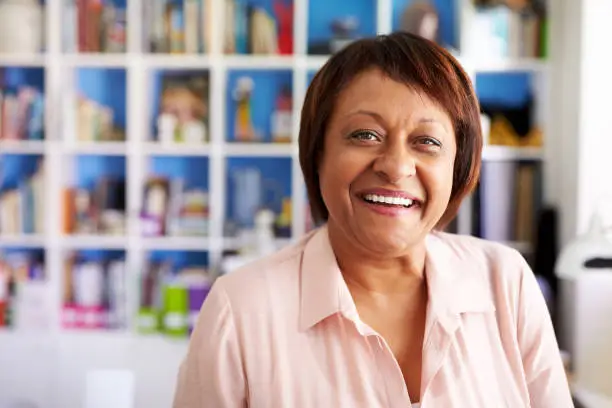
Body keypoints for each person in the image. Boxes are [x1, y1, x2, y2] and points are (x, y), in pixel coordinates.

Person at [172, 31, 573, 407]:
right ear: (317, 153)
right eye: (365, 135)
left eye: (427, 142)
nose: (397, 166)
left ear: (458, 166)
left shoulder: (506, 284)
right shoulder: (240, 310)